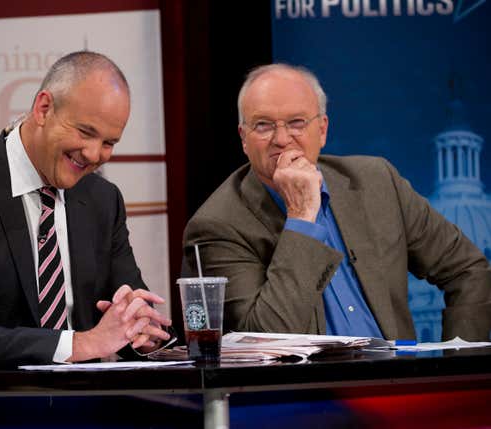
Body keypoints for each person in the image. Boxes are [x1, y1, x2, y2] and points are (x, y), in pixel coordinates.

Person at [0, 51, 171, 370]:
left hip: (89, 402)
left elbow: (127, 314)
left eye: (109, 142)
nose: (94, 154)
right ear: (44, 108)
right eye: (85, 132)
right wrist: (80, 344)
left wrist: (145, 333)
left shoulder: (103, 200)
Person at [183, 63, 491, 341]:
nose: (281, 138)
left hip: (398, 387)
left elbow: (468, 270)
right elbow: (265, 341)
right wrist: (302, 217)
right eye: (263, 124)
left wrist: (456, 364)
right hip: (307, 397)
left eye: (297, 122)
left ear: (323, 130)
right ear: (243, 139)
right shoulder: (217, 226)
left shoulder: (378, 182)